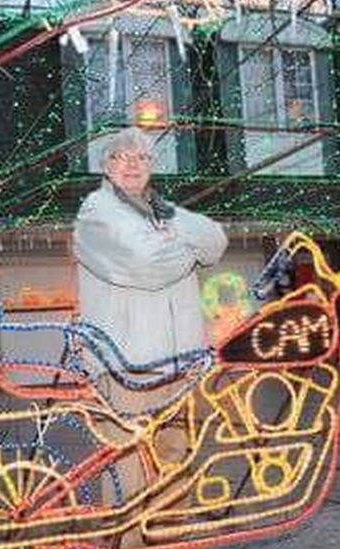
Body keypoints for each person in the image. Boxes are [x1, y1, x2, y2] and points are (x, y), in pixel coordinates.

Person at [72, 128, 227, 535]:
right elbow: (148, 266)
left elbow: (216, 240)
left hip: (180, 366)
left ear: (151, 166)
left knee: (175, 465)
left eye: (140, 158)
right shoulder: (96, 213)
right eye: (122, 157)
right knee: (128, 469)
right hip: (127, 369)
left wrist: (172, 235)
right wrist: (183, 247)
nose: (132, 165)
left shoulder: (165, 210)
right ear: (106, 166)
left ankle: (168, 541)